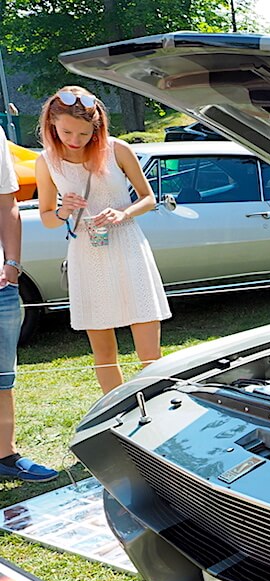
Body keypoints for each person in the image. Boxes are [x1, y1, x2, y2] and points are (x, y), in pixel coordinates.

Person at [35, 86, 171, 394]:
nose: (75, 140)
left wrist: (123, 214)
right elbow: (46, 217)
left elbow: (148, 199)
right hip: (87, 252)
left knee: (150, 353)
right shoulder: (46, 162)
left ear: (96, 127)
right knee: (104, 354)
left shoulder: (116, 149)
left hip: (127, 246)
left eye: (84, 134)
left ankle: (161, 411)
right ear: (52, 123)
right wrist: (62, 210)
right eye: (67, 131)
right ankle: (116, 414)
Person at [0, 125, 58, 482]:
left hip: (1, 284)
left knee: (3, 378)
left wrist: (12, 265)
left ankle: (5, 455)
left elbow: (7, 203)